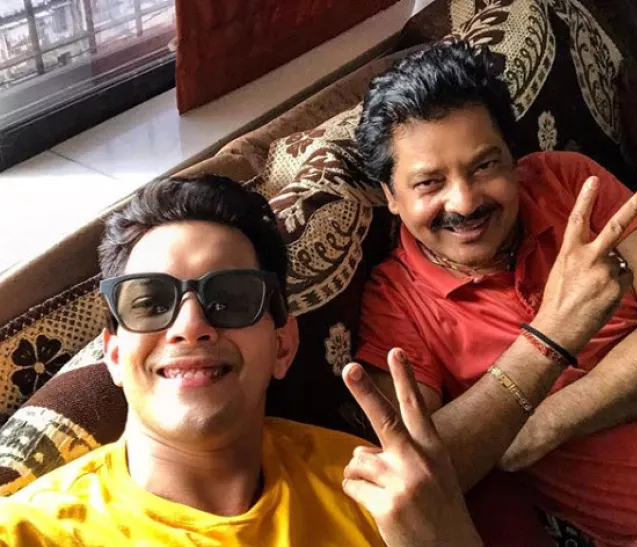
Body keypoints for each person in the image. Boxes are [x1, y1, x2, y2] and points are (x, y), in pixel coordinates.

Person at [0, 176, 482, 546]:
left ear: (283, 346)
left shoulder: (374, 490)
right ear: (114, 353)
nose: (190, 324)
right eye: (150, 302)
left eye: (230, 298)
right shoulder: (30, 532)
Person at [354, 40, 637, 545]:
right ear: (391, 195)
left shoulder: (567, 181)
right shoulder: (394, 303)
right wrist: (551, 336)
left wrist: (543, 423)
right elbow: (422, 476)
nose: (464, 202)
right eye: (429, 183)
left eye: (484, 166)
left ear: (513, 158)